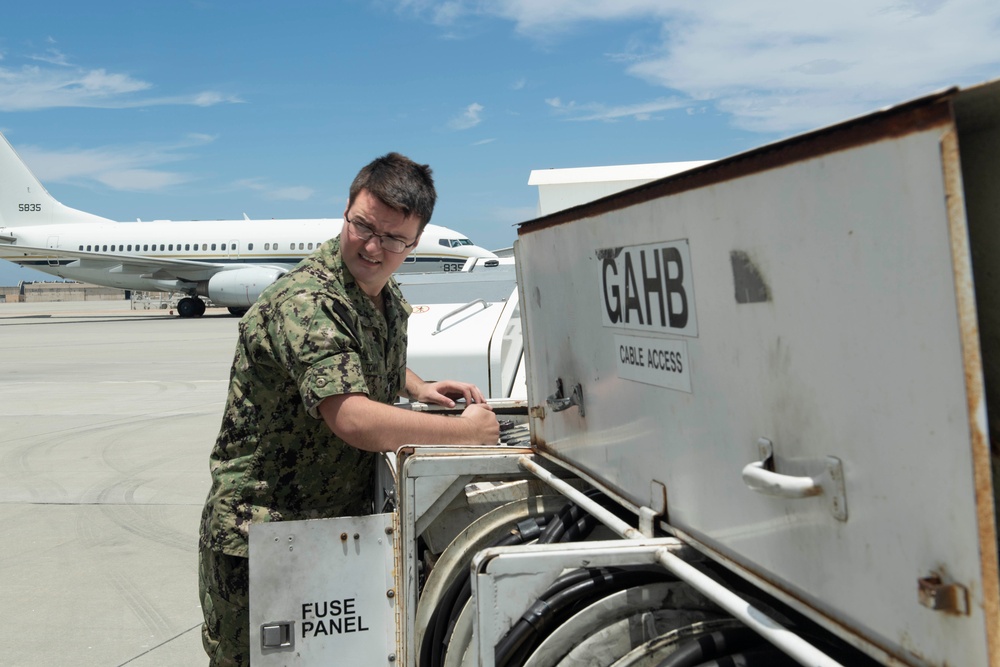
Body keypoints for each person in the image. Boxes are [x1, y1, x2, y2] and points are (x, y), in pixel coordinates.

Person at [198, 152, 500, 666]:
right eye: (363, 226)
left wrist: (418, 387)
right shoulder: (309, 300)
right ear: (347, 211)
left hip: (330, 529)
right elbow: (353, 418)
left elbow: (354, 356)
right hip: (264, 537)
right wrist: (467, 434)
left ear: (414, 241)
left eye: (394, 239)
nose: (373, 246)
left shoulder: (377, 292)